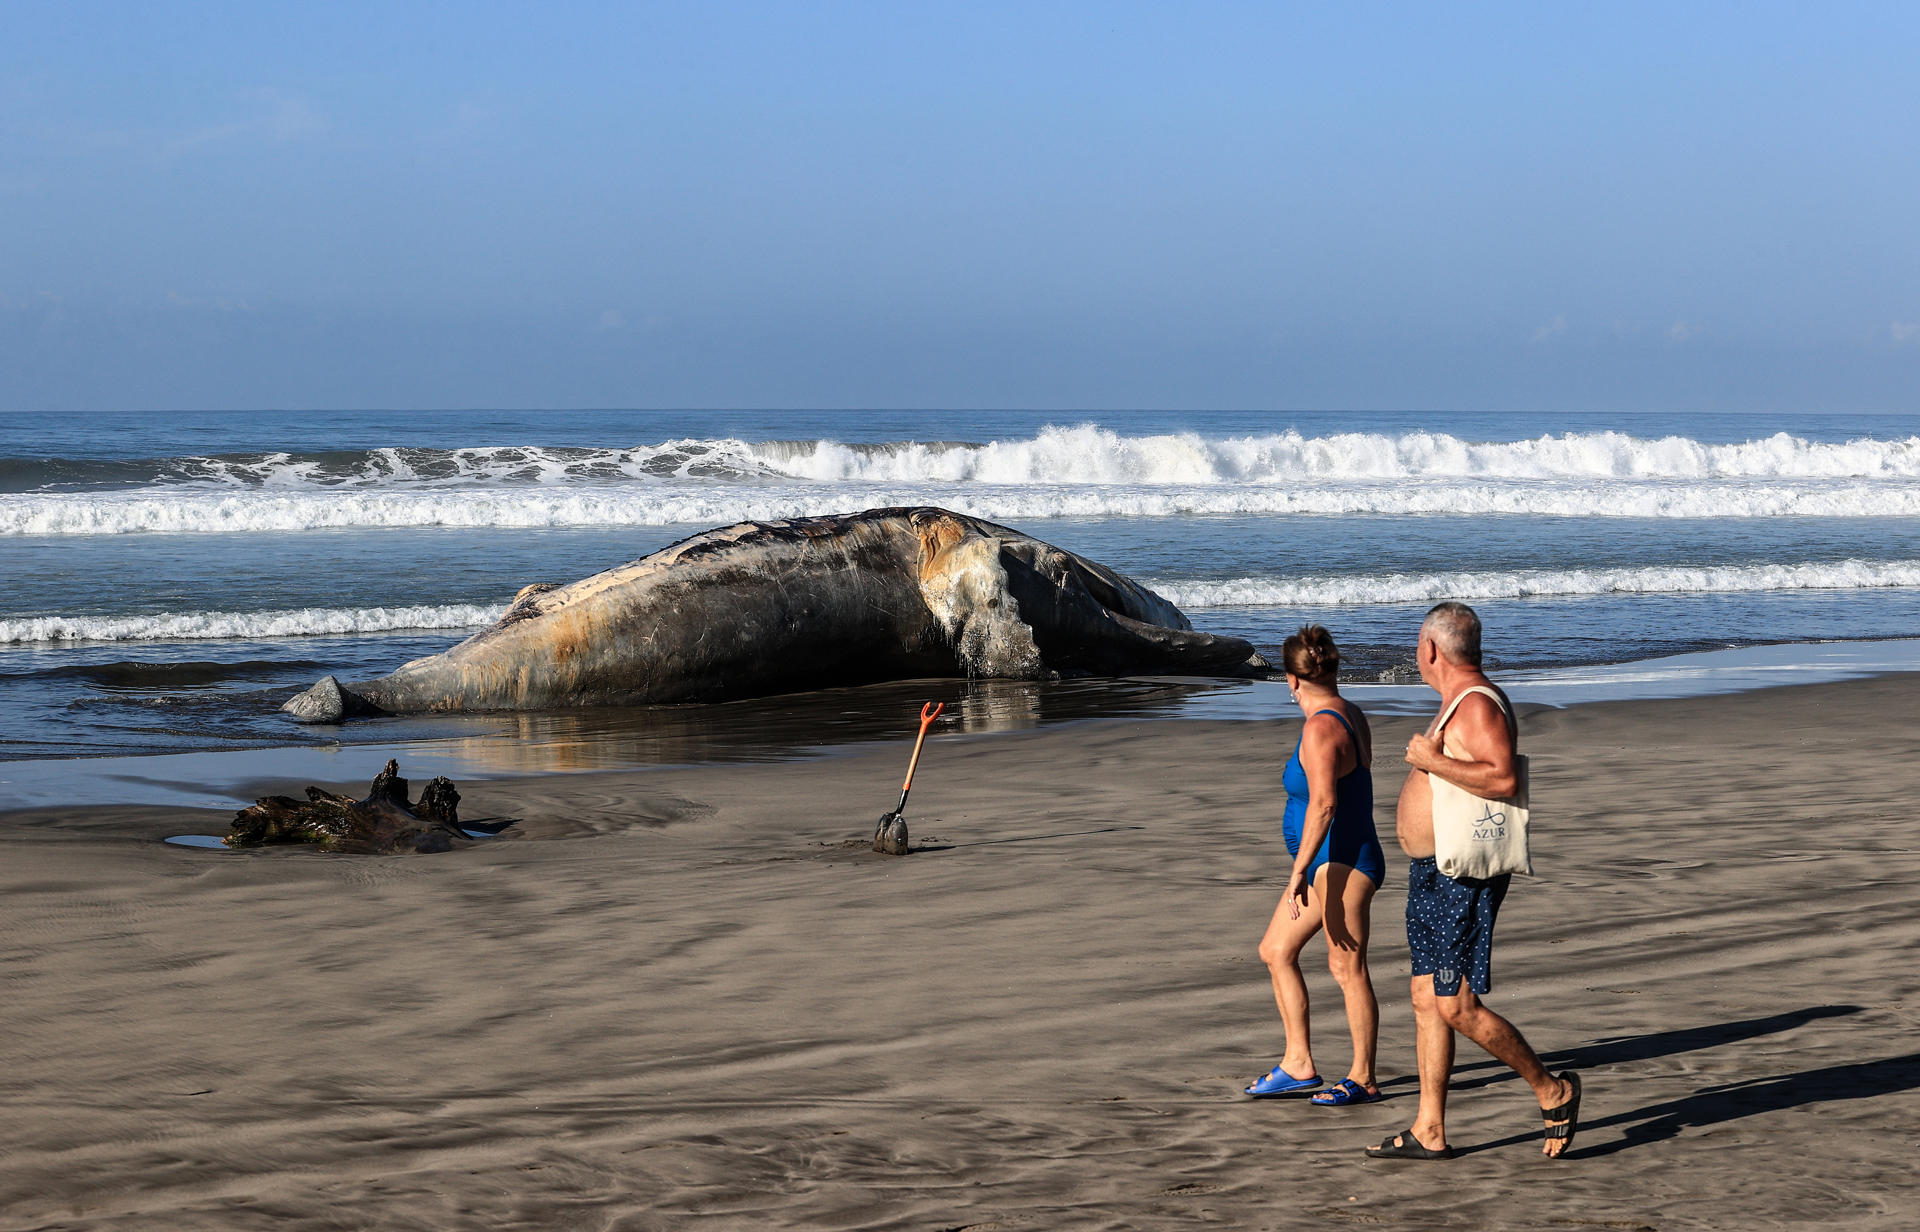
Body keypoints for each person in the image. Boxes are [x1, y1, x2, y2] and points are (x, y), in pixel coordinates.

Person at [1365, 601, 1581, 1161]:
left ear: (1432, 650)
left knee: (1455, 1003)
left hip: (1461, 876)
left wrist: (1431, 763)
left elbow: (1504, 777)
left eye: (1418, 645)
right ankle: (1429, 1129)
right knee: (1424, 996)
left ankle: (1552, 1089)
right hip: (1434, 872)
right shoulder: (1458, 702)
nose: (1416, 655)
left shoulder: (1477, 705)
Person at [1246, 625, 1386, 1106]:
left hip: (1343, 861)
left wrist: (1298, 870)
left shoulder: (1321, 727)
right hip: (1333, 861)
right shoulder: (1347, 711)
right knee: (1275, 950)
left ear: (1291, 680)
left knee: (1347, 967)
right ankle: (1298, 1064)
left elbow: (1324, 805)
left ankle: (1364, 1077)